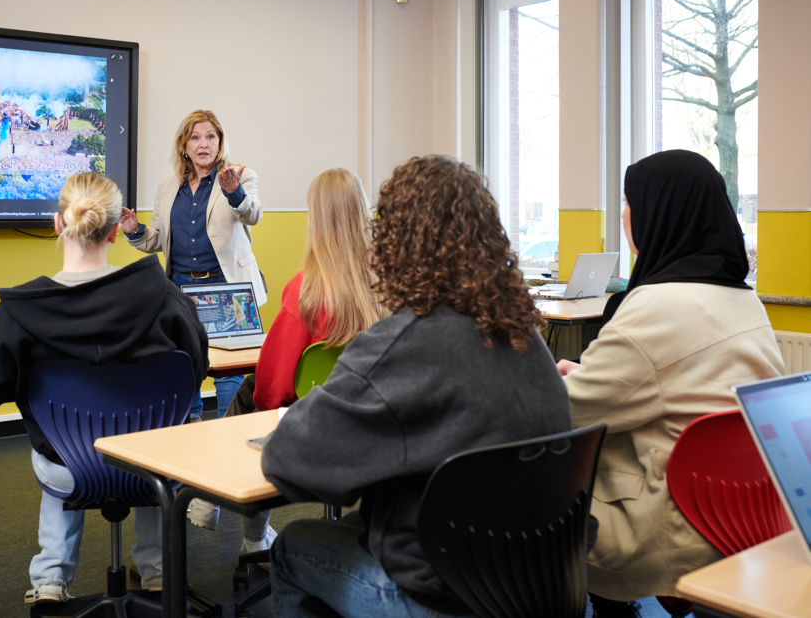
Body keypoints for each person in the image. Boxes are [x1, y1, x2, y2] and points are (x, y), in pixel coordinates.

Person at [261, 155, 573, 617]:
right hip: (535, 583)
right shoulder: (524, 335)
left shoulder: (404, 342)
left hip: (445, 596)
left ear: (396, 243)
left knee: (293, 546)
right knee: (354, 524)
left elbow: (287, 460)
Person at [556, 150, 784, 616]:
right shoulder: (745, 302)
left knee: (527, 483)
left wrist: (550, 382)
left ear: (659, 211)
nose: (623, 213)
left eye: (627, 201)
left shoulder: (655, 308)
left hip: (664, 530)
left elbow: (563, 415)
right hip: (740, 520)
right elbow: (672, 387)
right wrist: (591, 378)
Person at [0, 172, 208, 605]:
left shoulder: (17, 315)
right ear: (117, 231)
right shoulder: (169, 301)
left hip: (66, 469)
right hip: (148, 469)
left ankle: (50, 582)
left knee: (59, 447)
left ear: (58, 224)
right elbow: (195, 372)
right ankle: (158, 572)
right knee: (154, 446)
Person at [234, 168, 385, 558]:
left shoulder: (305, 290)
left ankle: (231, 514)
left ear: (315, 218)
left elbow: (275, 389)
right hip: (373, 424)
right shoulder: (387, 285)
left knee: (249, 396)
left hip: (313, 422)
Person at [119, 109, 265, 424]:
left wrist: (233, 192)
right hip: (180, 288)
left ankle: (230, 432)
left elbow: (253, 215)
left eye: (210, 136)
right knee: (184, 363)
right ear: (184, 145)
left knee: (228, 371)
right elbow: (158, 241)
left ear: (220, 142)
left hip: (227, 287)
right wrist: (134, 230)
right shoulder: (168, 186)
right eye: (195, 137)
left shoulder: (240, 176)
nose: (203, 144)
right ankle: (191, 427)